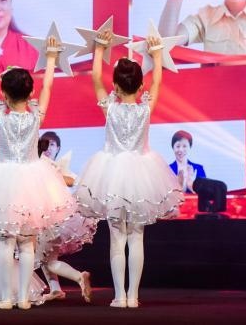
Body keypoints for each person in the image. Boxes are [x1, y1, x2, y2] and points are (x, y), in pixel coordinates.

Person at [0, 36, 76, 310]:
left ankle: (7, 298)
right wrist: (52, 58)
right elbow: (48, 86)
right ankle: (22, 298)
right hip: (32, 183)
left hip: (2, 183)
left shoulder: (0, 117)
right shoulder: (36, 116)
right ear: (30, 94)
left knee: (7, 242)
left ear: (4, 95)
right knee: (28, 243)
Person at [75, 30, 184, 308]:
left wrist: (100, 48)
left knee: (117, 237)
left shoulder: (110, 108)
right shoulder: (145, 108)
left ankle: (119, 296)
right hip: (140, 176)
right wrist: (156, 55)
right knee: (136, 236)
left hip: (111, 176)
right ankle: (133, 296)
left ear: (114, 86)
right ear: (140, 87)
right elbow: (157, 80)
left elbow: (95, 77)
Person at [35, 138, 95, 303]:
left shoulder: (33, 167)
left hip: (45, 219)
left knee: (47, 261)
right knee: (47, 257)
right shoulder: (48, 164)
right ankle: (55, 289)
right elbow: (68, 180)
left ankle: (78, 276)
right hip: (60, 217)